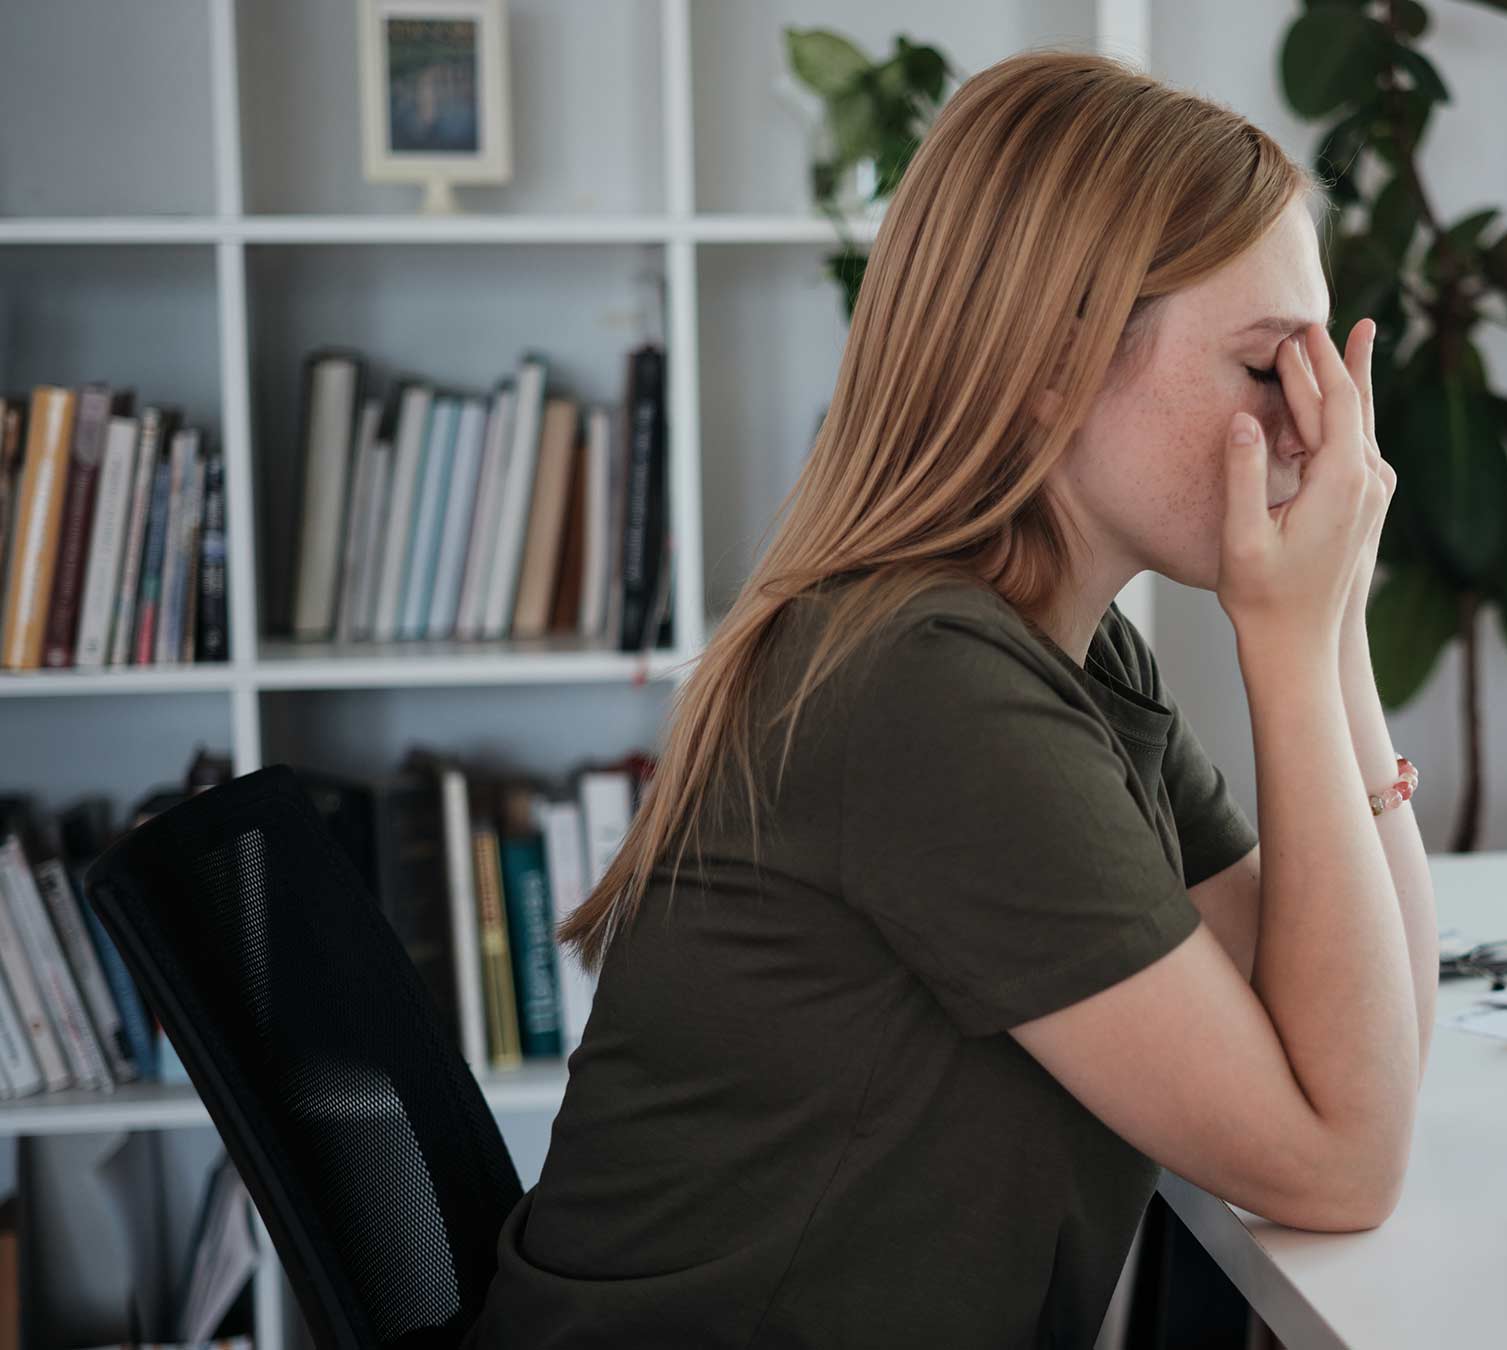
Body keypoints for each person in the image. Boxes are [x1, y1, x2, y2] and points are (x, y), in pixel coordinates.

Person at [469, 48, 1437, 1349]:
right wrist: (1290, 636)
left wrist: (1334, 632)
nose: (1321, 435)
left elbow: (1376, 1055)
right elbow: (1342, 1158)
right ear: (1052, 363)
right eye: (1271, 368)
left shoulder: (1069, 656)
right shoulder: (928, 692)